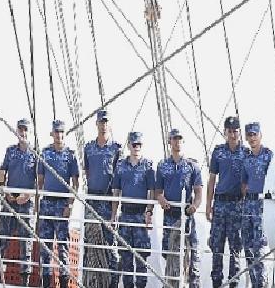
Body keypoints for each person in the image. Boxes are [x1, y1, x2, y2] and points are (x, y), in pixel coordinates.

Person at [156, 128, 202, 287]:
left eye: (180, 138)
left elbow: (198, 192)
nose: (177, 141)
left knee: (193, 255)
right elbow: (158, 191)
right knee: (169, 255)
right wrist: (161, 198)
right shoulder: (162, 166)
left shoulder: (192, 166)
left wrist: (195, 206)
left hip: (187, 217)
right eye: (174, 138)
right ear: (170, 141)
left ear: (183, 141)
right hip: (170, 215)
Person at [37, 119, 79, 288]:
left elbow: (76, 184)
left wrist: (70, 205)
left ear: (64, 134)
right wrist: (38, 203)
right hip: (47, 203)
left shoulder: (70, 155)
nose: (59, 135)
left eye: (61, 132)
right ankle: (46, 283)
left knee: (63, 247)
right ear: (52, 133)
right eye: (56, 132)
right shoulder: (45, 153)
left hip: (62, 205)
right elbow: (40, 181)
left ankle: (63, 283)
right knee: (45, 247)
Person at [82, 109, 121, 288]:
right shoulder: (88, 148)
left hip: (107, 200)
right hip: (92, 198)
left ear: (109, 124)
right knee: (89, 241)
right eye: (100, 122)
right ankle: (88, 282)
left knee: (109, 243)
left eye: (106, 122)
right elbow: (87, 171)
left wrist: (114, 211)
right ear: (96, 124)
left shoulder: (116, 149)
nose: (103, 125)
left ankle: (112, 283)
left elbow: (118, 181)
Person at [206, 116, 247, 288]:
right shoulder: (218, 152)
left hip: (237, 205)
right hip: (220, 204)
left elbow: (248, 182)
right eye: (229, 131)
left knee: (235, 249)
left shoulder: (246, 153)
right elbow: (212, 180)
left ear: (239, 133)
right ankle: (216, 282)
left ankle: (233, 283)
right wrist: (208, 206)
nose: (232, 134)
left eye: (235, 131)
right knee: (217, 246)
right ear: (225, 132)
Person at [111, 131, 154, 288]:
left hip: (140, 216)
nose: (137, 147)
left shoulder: (148, 166)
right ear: (129, 145)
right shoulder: (121, 165)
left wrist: (149, 212)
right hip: (126, 215)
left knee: (141, 258)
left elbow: (151, 191)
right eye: (134, 144)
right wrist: (114, 215)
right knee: (126, 256)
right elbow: (116, 191)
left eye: (139, 145)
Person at [0, 118, 36, 286]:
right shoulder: (10, 151)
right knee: (2, 238)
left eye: (25, 130)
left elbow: (39, 180)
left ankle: (25, 280)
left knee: (25, 242)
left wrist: (28, 195)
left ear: (29, 131)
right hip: (9, 199)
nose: (23, 132)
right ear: (16, 131)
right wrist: (2, 190)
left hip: (26, 202)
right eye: (20, 129)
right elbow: (2, 171)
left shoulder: (35, 154)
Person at [241, 122, 272, 288]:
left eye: (255, 134)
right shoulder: (246, 157)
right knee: (248, 245)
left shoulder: (269, 155)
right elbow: (244, 182)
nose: (252, 138)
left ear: (260, 135)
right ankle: (254, 283)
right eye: (249, 135)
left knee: (260, 246)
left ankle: (262, 283)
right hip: (248, 204)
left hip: (262, 204)